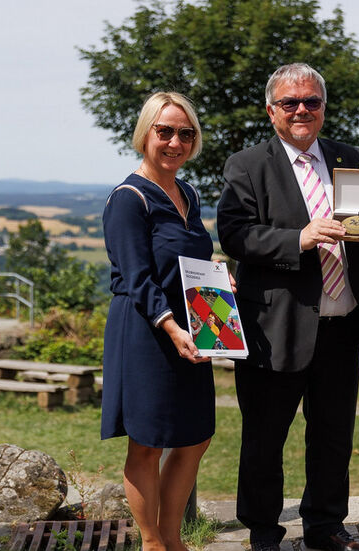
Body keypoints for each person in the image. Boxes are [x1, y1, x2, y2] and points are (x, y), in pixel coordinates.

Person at [215, 63, 359, 551]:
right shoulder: (246, 164)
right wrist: (299, 237)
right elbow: (235, 234)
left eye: (311, 102)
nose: (302, 110)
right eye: (290, 103)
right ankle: (263, 532)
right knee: (264, 438)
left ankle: (325, 526)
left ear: (322, 107)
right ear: (271, 110)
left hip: (342, 322)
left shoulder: (349, 155)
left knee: (334, 437)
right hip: (276, 326)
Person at [101, 91, 217, 551]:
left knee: (195, 437)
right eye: (164, 131)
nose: (175, 142)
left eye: (185, 133)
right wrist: (172, 327)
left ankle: (173, 538)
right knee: (147, 443)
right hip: (147, 331)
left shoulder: (187, 192)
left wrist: (216, 313)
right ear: (145, 133)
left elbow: (195, 264)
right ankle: (152, 543)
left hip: (193, 328)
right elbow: (138, 277)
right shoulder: (128, 198)